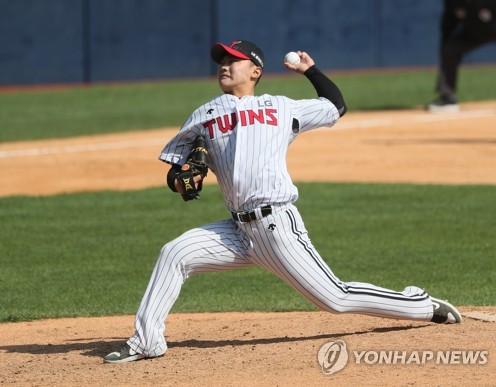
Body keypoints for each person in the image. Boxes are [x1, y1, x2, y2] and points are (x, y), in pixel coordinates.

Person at [104, 39, 462, 364]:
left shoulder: (279, 107)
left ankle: (420, 304)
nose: (225, 66)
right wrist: (184, 181)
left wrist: (311, 71)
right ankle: (147, 341)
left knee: (335, 299)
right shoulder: (204, 115)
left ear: (255, 71)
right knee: (175, 253)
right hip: (235, 231)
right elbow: (179, 175)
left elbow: (336, 106)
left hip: (276, 226)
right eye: (222, 60)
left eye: (235, 60)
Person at [427, 0, 496, 112]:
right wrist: (446, 51)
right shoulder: (453, 3)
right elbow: (447, 29)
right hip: (474, 34)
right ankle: (447, 98)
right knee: (449, 48)